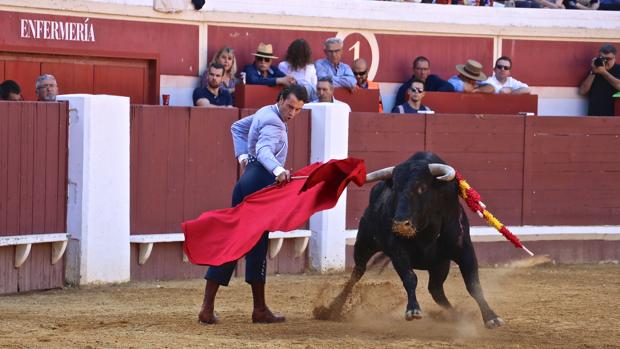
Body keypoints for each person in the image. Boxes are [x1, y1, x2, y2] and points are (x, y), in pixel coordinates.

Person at [197, 84, 309, 325]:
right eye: (290, 107)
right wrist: (278, 169)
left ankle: (215, 308)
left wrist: (243, 157)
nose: (292, 114)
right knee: (251, 243)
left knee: (238, 241)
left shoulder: (265, 112)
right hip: (259, 182)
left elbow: (237, 127)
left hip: (248, 181)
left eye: (298, 110)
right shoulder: (274, 123)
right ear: (280, 100)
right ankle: (256, 309)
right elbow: (264, 149)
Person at [579, 44, 620, 116]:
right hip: (593, 115)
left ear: (614, 58)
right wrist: (593, 72)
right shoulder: (595, 69)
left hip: (612, 117)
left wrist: (603, 72)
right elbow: (582, 91)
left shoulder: (618, 69)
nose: (605, 61)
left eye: (608, 59)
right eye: (602, 58)